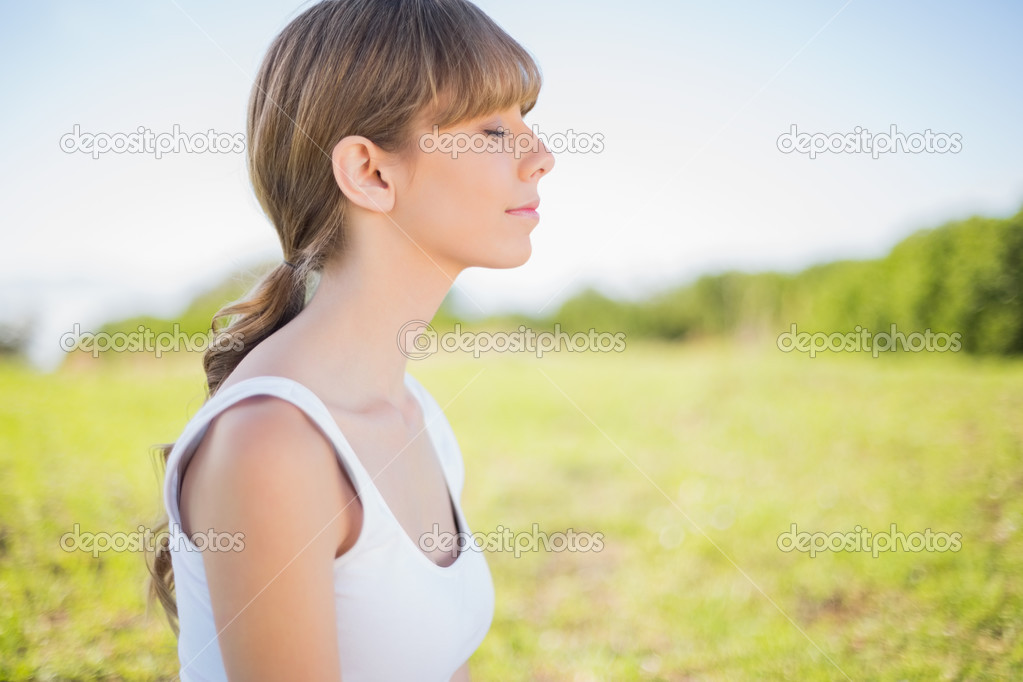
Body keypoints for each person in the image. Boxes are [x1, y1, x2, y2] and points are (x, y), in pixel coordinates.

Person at [143, 0, 555, 679]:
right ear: (369, 172)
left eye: (525, 122)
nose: (541, 158)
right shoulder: (273, 443)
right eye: (491, 129)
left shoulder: (412, 410)